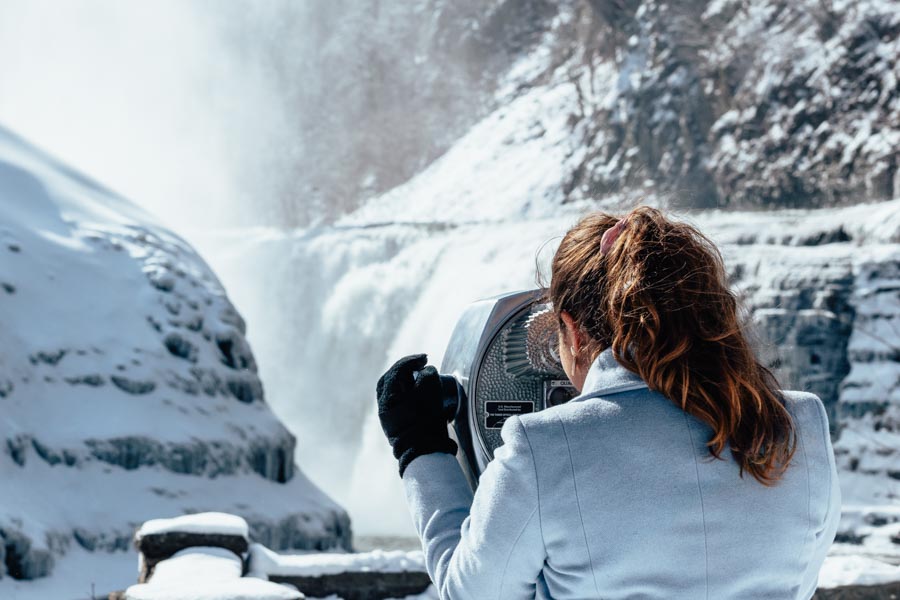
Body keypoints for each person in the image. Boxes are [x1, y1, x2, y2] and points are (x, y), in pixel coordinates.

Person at [375, 206, 841, 599]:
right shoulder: (800, 425)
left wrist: (421, 450)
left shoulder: (541, 446)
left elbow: (473, 592)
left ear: (573, 331)